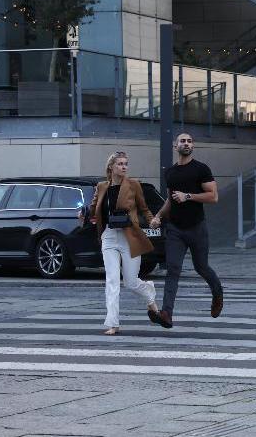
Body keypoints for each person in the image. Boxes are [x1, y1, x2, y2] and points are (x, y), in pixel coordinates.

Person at [148, 133, 223, 329]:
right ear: (176, 146)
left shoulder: (201, 169)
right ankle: (166, 314)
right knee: (173, 269)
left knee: (201, 268)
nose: (187, 144)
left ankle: (217, 292)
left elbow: (213, 196)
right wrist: (158, 216)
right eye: (183, 141)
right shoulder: (170, 173)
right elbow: (170, 200)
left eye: (190, 141)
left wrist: (188, 196)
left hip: (197, 227)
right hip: (175, 229)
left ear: (193, 146)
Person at [88, 151, 159, 336]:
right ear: (111, 167)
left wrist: (151, 220)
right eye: (120, 164)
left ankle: (149, 293)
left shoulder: (133, 185)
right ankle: (113, 323)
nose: (124, 167)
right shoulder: (102, 186)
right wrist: (85, 214)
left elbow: (144, 208)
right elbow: (93, 209)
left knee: (131, 282)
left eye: (126, 163)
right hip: (109, 237)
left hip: (129, 237)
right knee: (112, 280)